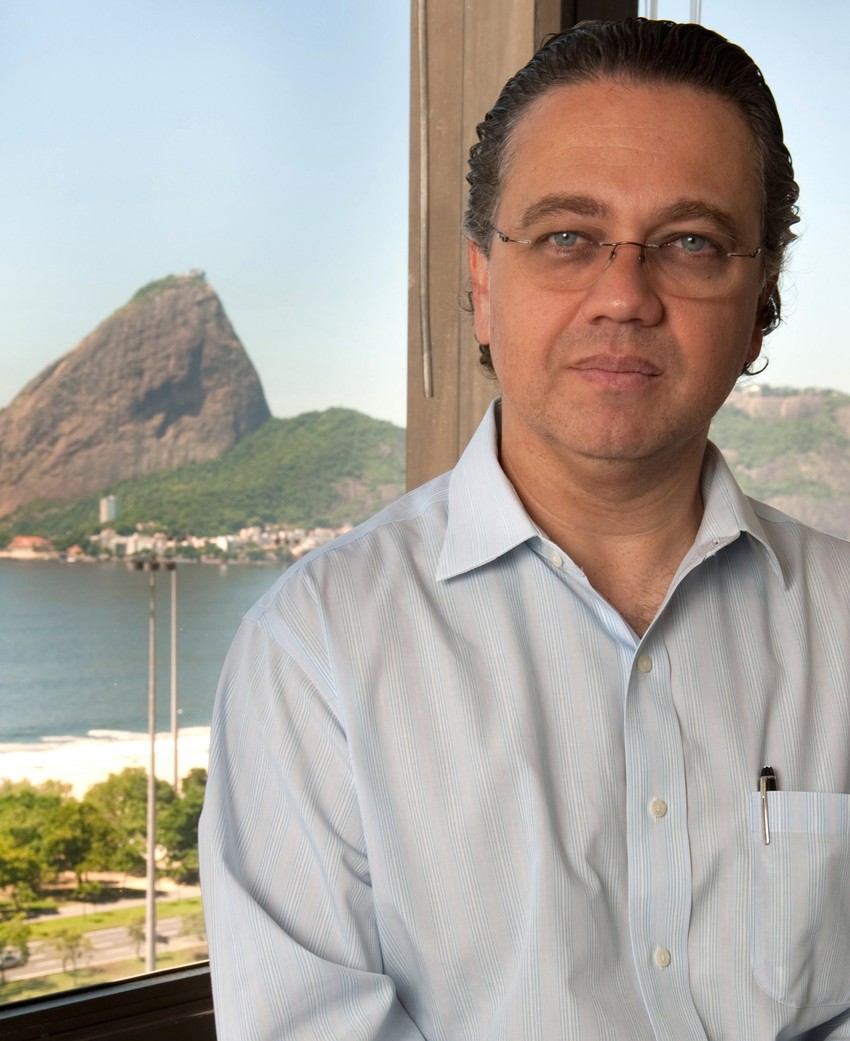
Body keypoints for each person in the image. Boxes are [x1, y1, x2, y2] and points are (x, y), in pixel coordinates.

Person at [199, 18, 850, 1041]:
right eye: (565, 238)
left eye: (690, 241)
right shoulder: (314, 653)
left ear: (761, 296)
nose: (624, 296)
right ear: (481, 284)